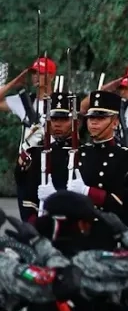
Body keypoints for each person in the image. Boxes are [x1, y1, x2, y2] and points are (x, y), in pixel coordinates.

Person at [68, 90, 128, 217]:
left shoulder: (125, 157)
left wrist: (88, 191)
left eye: (101, 118)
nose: (94, 122)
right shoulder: (80, 153)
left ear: (115, 122)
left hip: (108, 227)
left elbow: (122, 204)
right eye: (91, 118)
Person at [16, 90, 74, 221]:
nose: (57, 124)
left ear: (74, 121)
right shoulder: (39, 152)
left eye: (64, 119)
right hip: (44, 223)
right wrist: (27, 148)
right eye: (54, 119)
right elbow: (23, 183)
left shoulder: (83, 151)